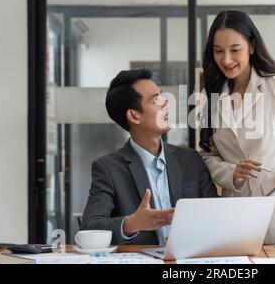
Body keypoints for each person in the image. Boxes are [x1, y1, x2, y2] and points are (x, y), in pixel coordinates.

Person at [199, 11, 275, 244]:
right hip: (234, 214)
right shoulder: (208, 96)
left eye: (235, 49)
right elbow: (206, 155)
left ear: (251, 46)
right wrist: (232, 173)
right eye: (218, 51)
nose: (227, 59)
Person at [81, 69, 217, 245]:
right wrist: (131, 223)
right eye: (156, 100)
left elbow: (216, 213)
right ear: (134, 116)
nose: (165, 103)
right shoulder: (108, 168)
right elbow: (89, 227)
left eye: (162, 97)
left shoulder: (190, 159)